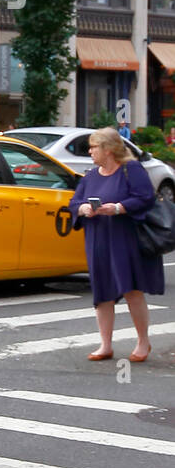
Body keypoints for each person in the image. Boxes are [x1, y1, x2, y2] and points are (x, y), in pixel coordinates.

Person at [68, 127, 160, 362]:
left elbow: (145, 198)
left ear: (108, 149)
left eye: (93, 147)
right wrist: (83, 208)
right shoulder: (90, 176)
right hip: (98, 238)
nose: (90, 151)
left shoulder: (132, 169)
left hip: (125, 237)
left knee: (131, 289)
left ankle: (143, 342)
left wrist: (118, 208)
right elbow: (74, 201)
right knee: (102, 292)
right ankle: (105, 345)